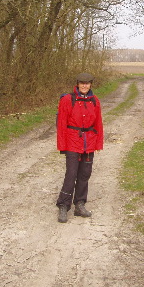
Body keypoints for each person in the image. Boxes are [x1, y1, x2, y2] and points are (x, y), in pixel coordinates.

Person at [56, 72, 103, 223]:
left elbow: (98, 124)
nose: (84, 85)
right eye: (82, 83)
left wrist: (98, 143)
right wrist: (62, 145)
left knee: (85, 174)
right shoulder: (67, 100)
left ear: (90, 85)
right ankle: (63, 205)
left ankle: (80, 204)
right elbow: (61, 123)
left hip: (88, 142)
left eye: (87, 83)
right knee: (71, 174)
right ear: (77, 84)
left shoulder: (95, 101)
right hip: (72, 142)